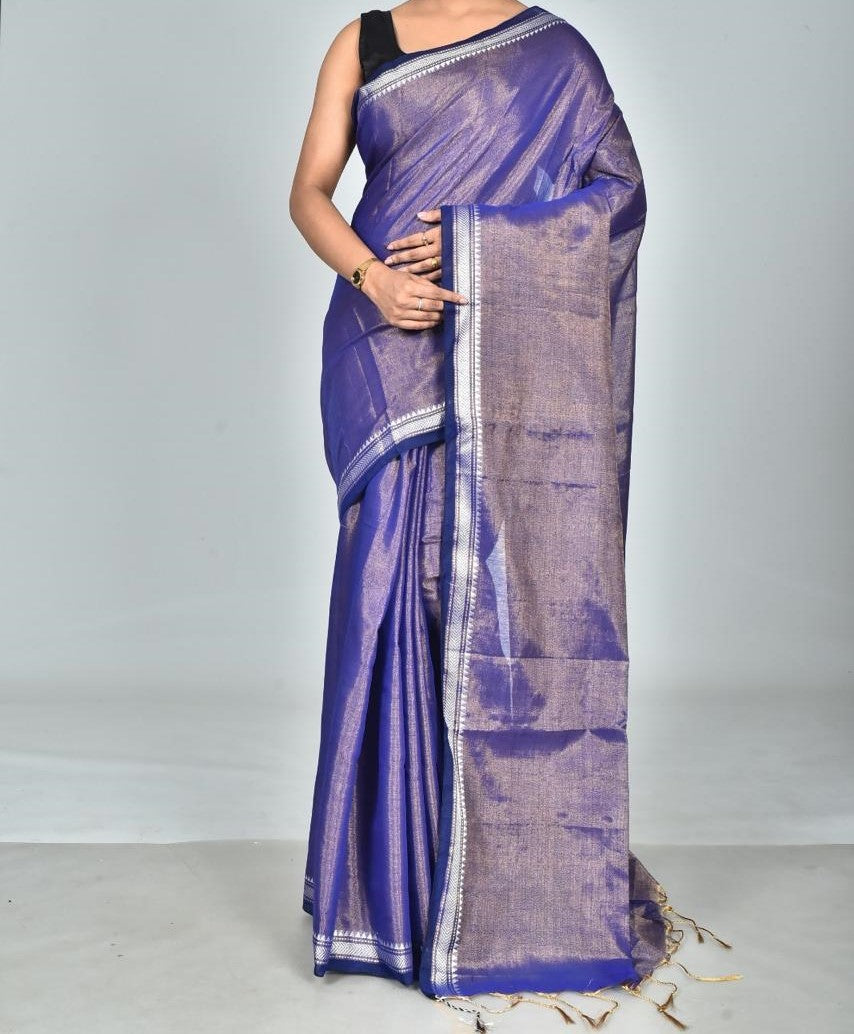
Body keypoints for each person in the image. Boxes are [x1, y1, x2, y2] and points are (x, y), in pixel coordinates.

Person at [289, 2, 741, 1027]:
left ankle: (502, 897)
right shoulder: (365, 41)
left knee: (499, 605)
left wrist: (478, 246)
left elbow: (615, 200)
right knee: (388, 597)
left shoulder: (556, 52)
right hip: (387, 346)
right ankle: (390, 903)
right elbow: (309, 192)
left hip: (504, 347)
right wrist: (371, 277)